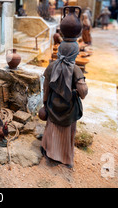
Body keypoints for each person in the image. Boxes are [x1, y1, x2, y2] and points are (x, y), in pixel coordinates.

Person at [41, 40, 88, 168]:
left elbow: (46, 89)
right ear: (74, 54)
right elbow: (83, 92)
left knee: (52, 129)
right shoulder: (76, 70)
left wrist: (45, 103)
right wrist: (78, 93)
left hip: (53, 105)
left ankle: (49, 150)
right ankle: (63, 156)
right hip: (69, 108)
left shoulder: (51, 66)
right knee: (66, 133)